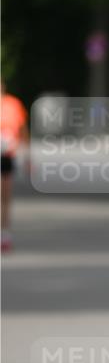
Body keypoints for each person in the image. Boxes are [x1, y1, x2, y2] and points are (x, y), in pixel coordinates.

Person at [0, 80, 29, 253]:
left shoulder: (13, 104)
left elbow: (23, 129)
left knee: (5, 197)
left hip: (7, 156)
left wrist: (27, 156)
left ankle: (5, 235)